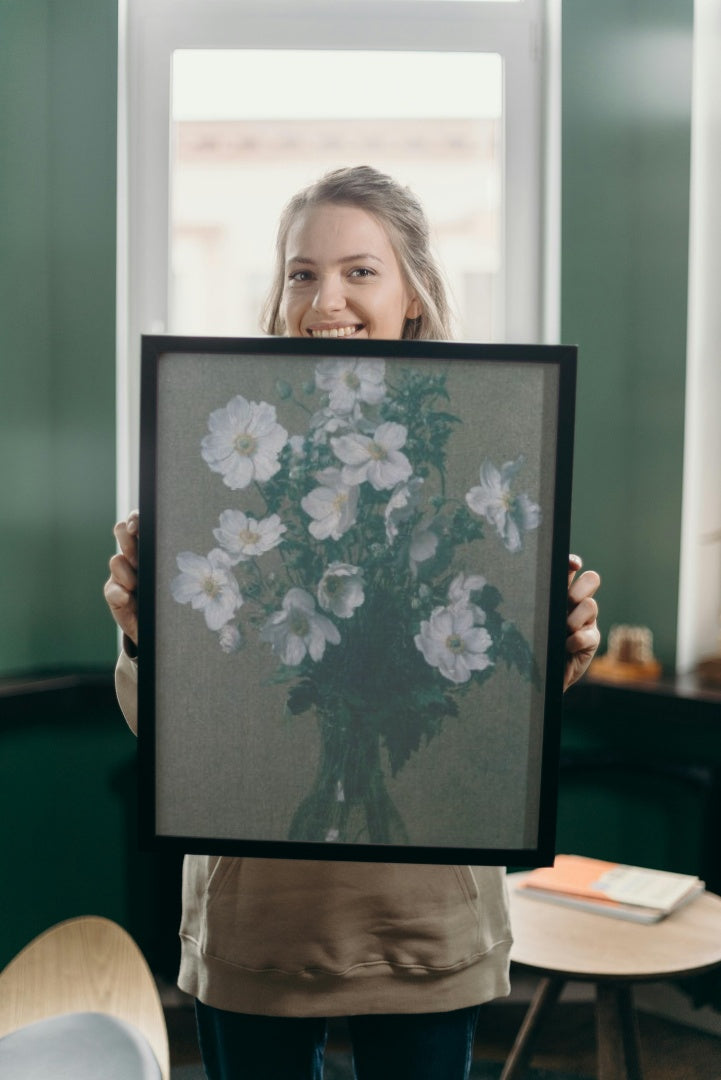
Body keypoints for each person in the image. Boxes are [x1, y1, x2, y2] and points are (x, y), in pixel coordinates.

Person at [105, 166, 601, 1080]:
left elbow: (490, 712)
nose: (324, 298)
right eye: (301, 273)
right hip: (259, 922)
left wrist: (562, 646)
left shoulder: (488, 456)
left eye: (359, 271)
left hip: (423, 921)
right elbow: (176, 731)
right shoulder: (218, 459)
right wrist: (144, 639)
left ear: (412, 292)